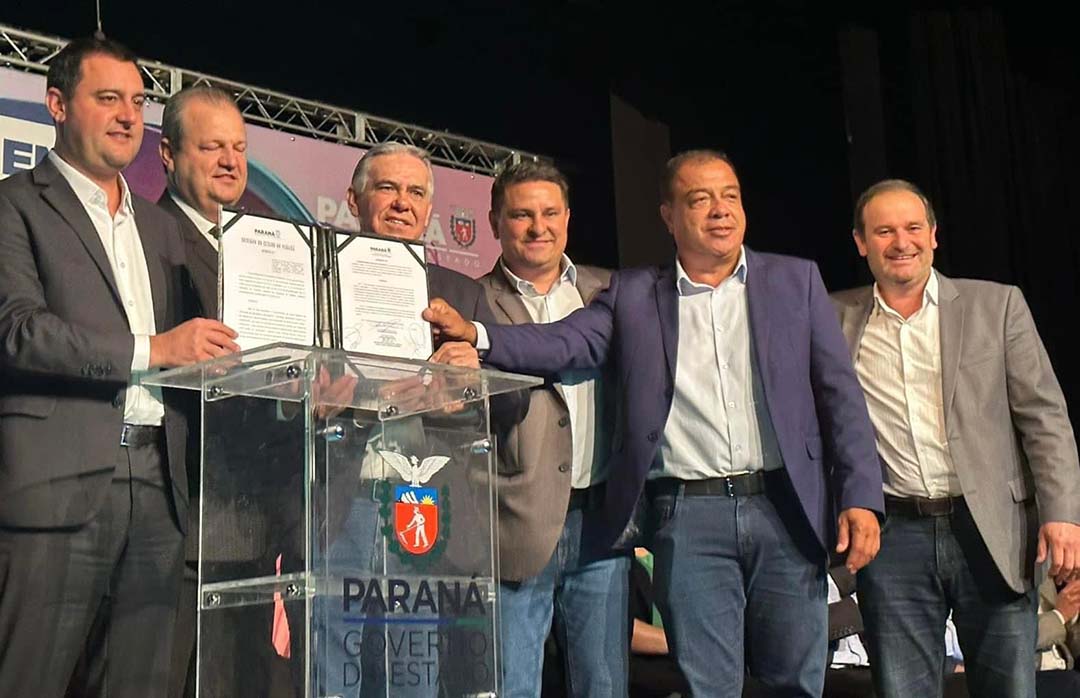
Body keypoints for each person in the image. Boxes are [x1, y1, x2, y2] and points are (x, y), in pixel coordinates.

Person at [426, 149, 884, 697]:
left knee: (796, 683)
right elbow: (565, 341)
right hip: (689, 518)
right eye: (700, 199)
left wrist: (861, 495)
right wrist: (479, 336)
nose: (720, 210)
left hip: (785, 507)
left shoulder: (795, 280)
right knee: (708, 687)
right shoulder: (635, 294)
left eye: (730, 197)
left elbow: (841, 398)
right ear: (669, 216)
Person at [0, 36, 238, 697]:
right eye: (108, 98)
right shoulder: (13, 204)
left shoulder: (161, 229)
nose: (128, 116)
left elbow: (200, 347)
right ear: (57, 105)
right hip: (57, 486)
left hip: (160, 489)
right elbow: (18, 332)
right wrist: (154, 350)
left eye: (137, 102)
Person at [832, 178, 1080, 698]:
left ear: (933, 235)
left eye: (912, 227)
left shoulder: (997, 305)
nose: (901, 242)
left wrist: (1063, 514)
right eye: (884, 231)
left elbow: (1044, 417)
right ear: (860, 242)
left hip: (990, 531)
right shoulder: (835, 318)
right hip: (893, 537)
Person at [477, 161, 626, 697]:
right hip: (512, 525)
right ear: (495, 222)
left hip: (601, 524)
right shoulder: (473, 300)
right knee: (512, 686)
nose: (538, 227)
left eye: (549, 213)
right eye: (522, 215)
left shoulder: (608, 291)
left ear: (567, 217)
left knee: (604, 686)